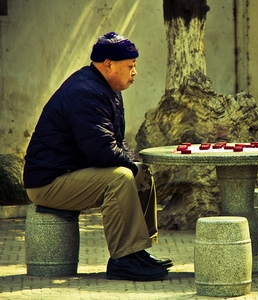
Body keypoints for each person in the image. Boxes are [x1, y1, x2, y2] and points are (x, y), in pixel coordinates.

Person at [23, 32, 172, 281]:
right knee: (121, 177)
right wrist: (130, 167)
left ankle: (138, 251)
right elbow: (102, 151)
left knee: (140, 171)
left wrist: (135, 164)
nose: (135, 72)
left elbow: (116, 139)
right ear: (109, 65)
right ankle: (123, 259)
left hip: (73, 174)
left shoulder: (106, 87)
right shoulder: (86, 92)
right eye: (130, 66)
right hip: (48, 183)